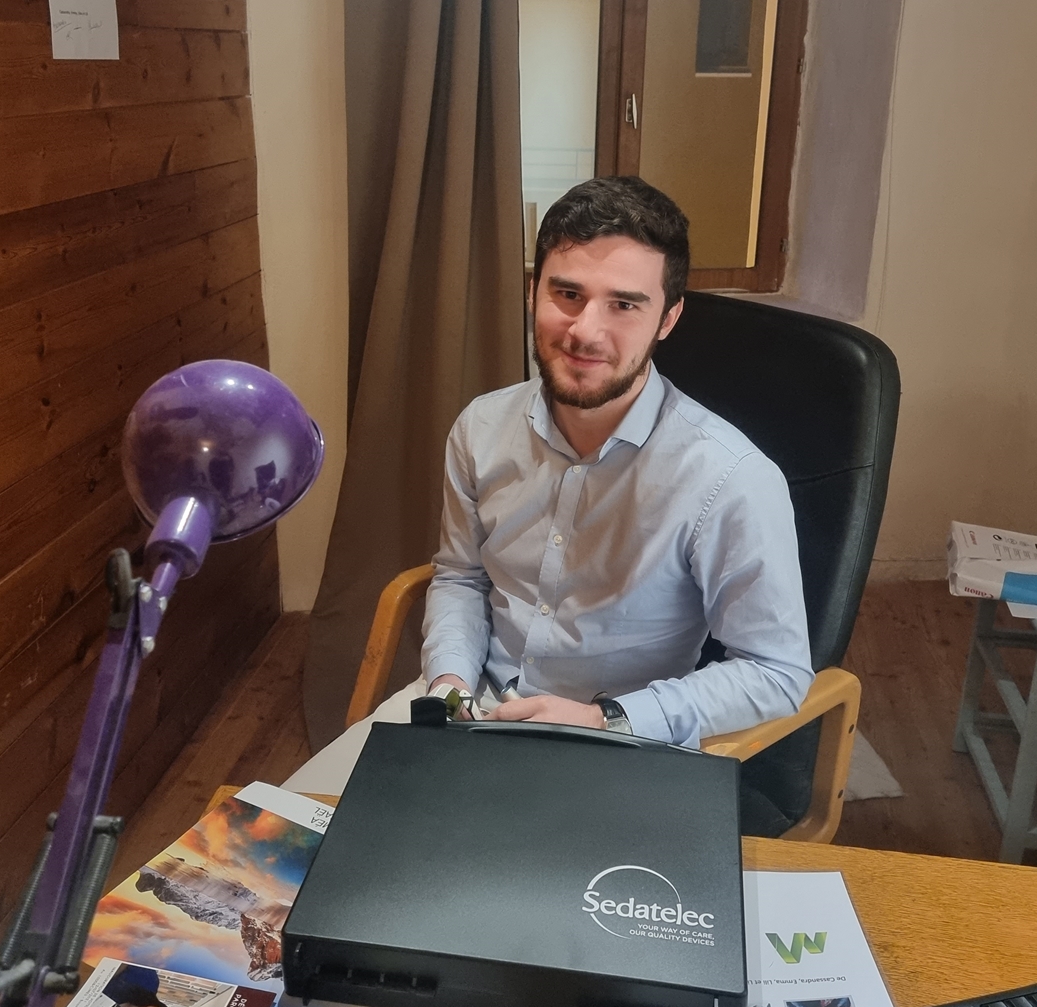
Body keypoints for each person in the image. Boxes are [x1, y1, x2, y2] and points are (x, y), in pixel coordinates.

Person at [284, 176, 811, 791]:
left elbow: (776, 672)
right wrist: (449, 682)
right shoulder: (481, 427)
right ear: (533, 292)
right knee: (280, 837)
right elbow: (462, 576)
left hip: (616, 742)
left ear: (668, 319)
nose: (585, 331)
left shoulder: (730, 477)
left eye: (624, 305)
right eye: (567, 293)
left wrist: (605, 719)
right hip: (471, 710)